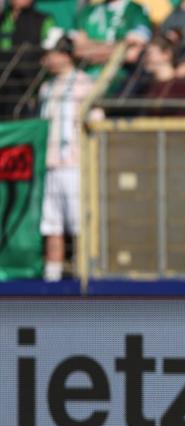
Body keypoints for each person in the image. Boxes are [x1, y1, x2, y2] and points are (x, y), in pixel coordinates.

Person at [37, 36, 97, 281]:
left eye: (52, 52)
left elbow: (95, 120)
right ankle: (52, 277)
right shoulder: (46, 88)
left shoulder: (84, 84)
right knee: (51, 225)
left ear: (65, 54)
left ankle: (85, 276)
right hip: (50, 164)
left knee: (78, 223)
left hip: (74, 164)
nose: (48, 58)